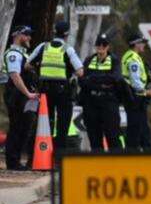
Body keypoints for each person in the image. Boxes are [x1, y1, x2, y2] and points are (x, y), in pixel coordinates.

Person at [28, 20, 83, 149]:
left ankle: (40, 155)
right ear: (67, 34)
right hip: (63, 92)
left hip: (45, 92)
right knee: (62, 127)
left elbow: (27, 65)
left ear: (54, 32)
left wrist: (39, 68)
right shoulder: (68, 49)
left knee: (44, 124)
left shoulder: (43, 46)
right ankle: (58, 159)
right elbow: (80, 72)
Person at [79, 33, 123, 152]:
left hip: (109, 102)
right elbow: (82, 80)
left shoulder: (114, 60)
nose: (101, 47)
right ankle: (98, 165)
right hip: (91, 102)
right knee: (94, 137)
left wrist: (93, 79)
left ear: (108, 47)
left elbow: (116, 78)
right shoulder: (89, 60)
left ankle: (118, 164)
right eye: (98, 44)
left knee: (112, 136)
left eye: (104, 44)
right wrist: (103, 81)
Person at [5, 25, 37, 169]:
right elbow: (15, 76)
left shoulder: (23, 54)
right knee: (17, 128)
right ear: (18, 36)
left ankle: (16, 160)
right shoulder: (14, 54)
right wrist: (28, 93)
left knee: (24, 127)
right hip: (17, 95)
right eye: (27, 34)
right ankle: (13, 162)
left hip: (23, 95)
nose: (29, 37)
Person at [121, 32, 151, 150]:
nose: (144, 45)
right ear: (136, 44)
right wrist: (147, 92)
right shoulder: (133, 59)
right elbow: (135, 82)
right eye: (142, 43)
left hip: (135, 99)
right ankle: (134, 157)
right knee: (135, 132)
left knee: (142, 131)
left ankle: (146, 154)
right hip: (135, 99)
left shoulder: (133, 56)